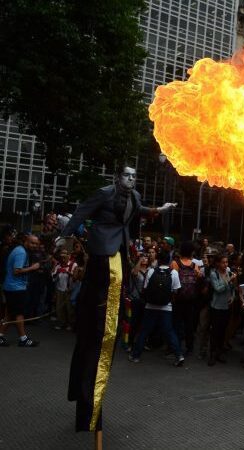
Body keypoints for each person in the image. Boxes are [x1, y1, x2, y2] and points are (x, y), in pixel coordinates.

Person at [60, 164, 175, 432]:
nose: (132, 179)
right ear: (117, 177)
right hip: (102, 245)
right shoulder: (104, 193)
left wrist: (162, 209)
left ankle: (113, 302)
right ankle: (103, 301)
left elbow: (143, 212)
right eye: (127, 175)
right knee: (106, 280)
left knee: (118, 280)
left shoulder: (134, 197)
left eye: (135, 176)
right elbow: (82, 212)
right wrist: (63, 236)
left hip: (120, 244)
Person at [128, 251, 184, 367]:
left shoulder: (151, 271)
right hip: (166, 307)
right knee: (169, 331)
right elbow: (176, 290)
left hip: (150, 306)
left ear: (158, 260)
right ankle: (179, 355)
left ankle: (136, 355)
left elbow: (145, 288)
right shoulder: (173, 273)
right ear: (169, 260)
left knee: (144, 330)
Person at [0, 233, 42, 347]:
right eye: (32, 243)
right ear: (26, 241)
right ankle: (23, 339)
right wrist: (33, 268)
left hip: (12, 286)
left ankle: (0, 336)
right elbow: (16, 271)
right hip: (15, 288)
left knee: (10, 314)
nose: (34, 246)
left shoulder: (21, 250)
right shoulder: (21, 252)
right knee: (19, 313)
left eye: (36, 244)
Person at [208, 254, 240, 366]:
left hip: (226, 306)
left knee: (223, 330)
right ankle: (212, 354)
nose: (225, 265)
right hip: (216, 306)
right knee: (215, 331)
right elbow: (218, 289)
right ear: (217, 263)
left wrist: (232, 296)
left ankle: (219, 353)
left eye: (226, 262)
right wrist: (228, 280)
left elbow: (233, 288)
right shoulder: (214, 274)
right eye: (223, 262)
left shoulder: (229, 272)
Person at [174, 241, 202, 356]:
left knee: (177, 323)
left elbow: (173, 281)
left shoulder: (175, 263)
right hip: (191, 299)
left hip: (178, 298)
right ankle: (189, 347)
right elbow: (199, 279)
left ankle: (176, 346)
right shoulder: (195, 265)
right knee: (189, 324)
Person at [51, 248, 77, 331]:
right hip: (59, 289)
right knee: (59, 308)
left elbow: (76, 278)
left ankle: (70, 324)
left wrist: (68, 272)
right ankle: (62, 323)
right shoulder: (58, 265)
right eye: (61, 254)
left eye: (65, 254)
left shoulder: (74, 265)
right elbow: (53, 278)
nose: (63, 256)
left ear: (69, 256)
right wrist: (57, 271)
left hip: (69, 290)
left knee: (69, 308)